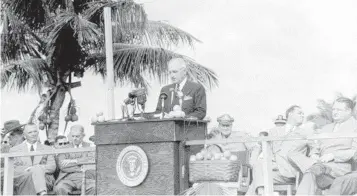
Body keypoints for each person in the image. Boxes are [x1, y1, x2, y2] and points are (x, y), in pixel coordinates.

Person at [288, 97, 357, 195]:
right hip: (320, 164)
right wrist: (314, 154)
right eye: (333, 109)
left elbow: (354, 151)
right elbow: (316, 147)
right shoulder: (326, 128)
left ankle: (315, 169)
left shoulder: (355, 127)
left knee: (310, 173)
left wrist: (333, 155)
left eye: (339, 110)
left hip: (339, 166)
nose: (334, 112)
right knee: (292, 154)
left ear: (349, 111)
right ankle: (314, 166)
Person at [247, 105, 312, 195]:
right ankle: (262, 192)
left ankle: (262, 193)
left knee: (258, 180)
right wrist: (252, 161)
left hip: (290, 171)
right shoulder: (274, 131)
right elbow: (259, 145)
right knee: (259, 172)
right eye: (299, 113)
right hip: (274, 171)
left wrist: (314, 157)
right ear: (290, 114)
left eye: (303, 114)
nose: (302, 116)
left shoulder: (306, 133)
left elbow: (314, 149)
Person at [9, 123, 56, 195]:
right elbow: (13, 168)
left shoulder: (47, 148)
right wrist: (31, 169)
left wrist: (36, 169)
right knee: (28, 181)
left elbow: (52, 167)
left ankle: (42, 192)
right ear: (24, 135)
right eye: (30, 132)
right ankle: (42, 193)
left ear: (38, 133)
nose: (33, 134)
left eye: (35, 131)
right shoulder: (14, 150)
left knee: (35, 172)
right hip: (24, 180)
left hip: (44, 180)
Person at [54, 125, 95, 195]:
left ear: (83, 135)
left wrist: (74, 161)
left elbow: (91, 161)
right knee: (60, 188)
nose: (74, 138)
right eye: (73, 136)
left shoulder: (89, 146)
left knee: (94, 187)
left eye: (77, 136)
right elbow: (62, 166)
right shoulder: (64, 148)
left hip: (85, 177)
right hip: (67, 178)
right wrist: (81, 166)